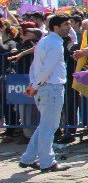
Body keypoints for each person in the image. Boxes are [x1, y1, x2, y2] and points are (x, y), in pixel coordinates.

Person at [19, 14, 72, 173]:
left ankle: (28, 158)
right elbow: (47, 68)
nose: (69, 27)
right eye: (65, 24)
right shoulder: (55, 43)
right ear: (56, 27)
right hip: (51, 87)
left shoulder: (45, 41)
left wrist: (33, 83)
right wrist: (34, 84)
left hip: (44, 87)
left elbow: (35, 66)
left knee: (45, 125)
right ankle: (47, 161)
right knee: (50, 126)